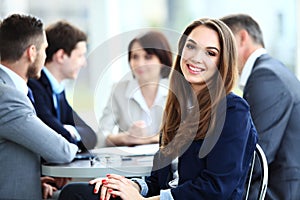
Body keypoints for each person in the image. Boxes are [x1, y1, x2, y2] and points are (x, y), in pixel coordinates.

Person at [58, 18, 258, 199]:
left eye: (210, 53)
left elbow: (215, 189)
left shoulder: (233, 110)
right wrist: (130, 186)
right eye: (191, 47)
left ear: (222, 62)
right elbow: (158, 181)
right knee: (76, 192)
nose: (196, 58)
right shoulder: (180, 107)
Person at [221, 14, 300, 199]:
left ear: (242, 38)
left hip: (277, 191)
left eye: (224, 45)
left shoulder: (266, 76)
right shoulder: (273, 69)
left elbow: (256, 156)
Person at [0, 14, 78, 200]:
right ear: (31, 52)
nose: (45, 57)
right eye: (45, 50)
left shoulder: (11, 91)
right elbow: (63, 152)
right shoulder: (7, 97)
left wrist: (34, 180)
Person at [28, 20, 97, 151]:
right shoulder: (34, 88)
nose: (84, 63)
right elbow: (57, 139)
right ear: (61, 56)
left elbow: (91, 136)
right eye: (80, 56)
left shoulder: (58, 90)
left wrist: (69, 130)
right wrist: (69, 132)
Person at [98, 31, 172, 147]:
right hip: (130, 164)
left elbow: (184, 135)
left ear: (162, 61)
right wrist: (125, 138)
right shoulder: (119, 91)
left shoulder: (176, 91)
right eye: (135, 57)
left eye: (148, 57)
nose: (139, 63)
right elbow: (101, 136)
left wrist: (149, 139)